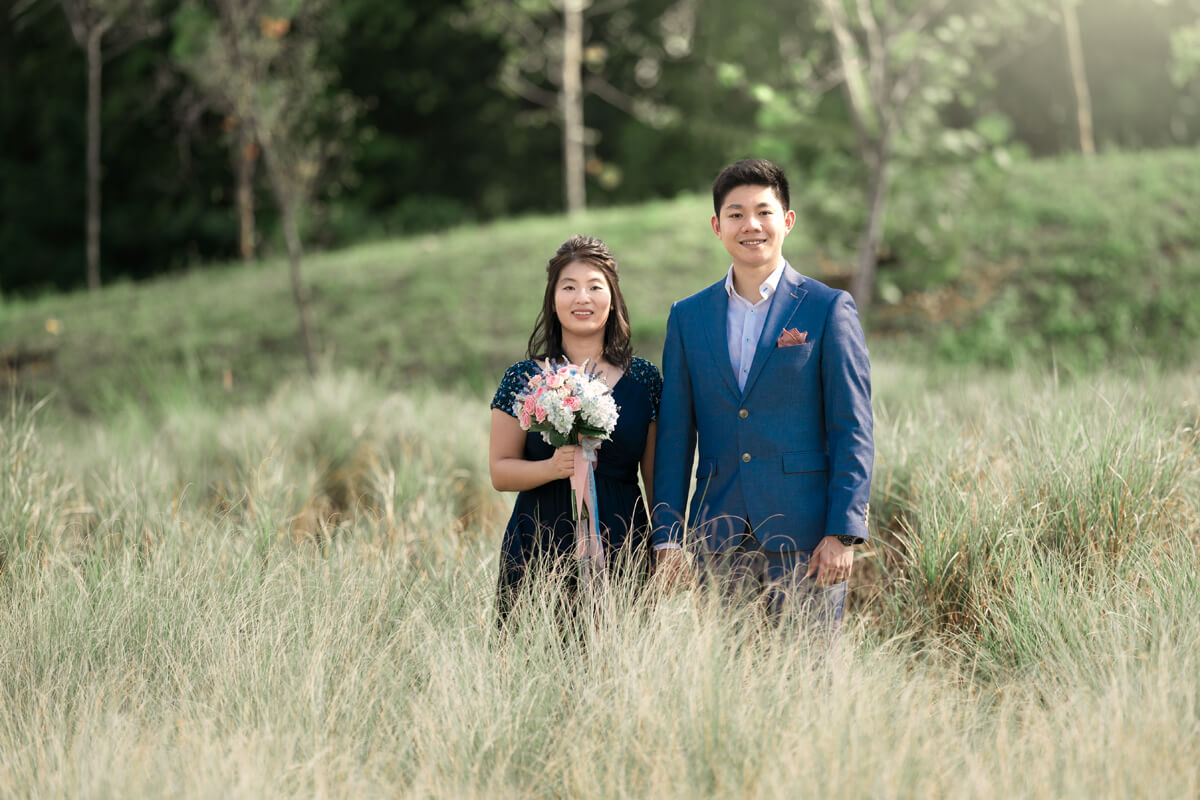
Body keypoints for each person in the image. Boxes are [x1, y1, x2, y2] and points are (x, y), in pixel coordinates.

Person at [651, 158, 873, 630]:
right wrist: (668, 537)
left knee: (808, 680)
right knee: (726, 686)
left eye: (763, 212)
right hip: (717, 535)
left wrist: (843, 533)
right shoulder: (687, 317)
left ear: (787, 221)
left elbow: (852, 427)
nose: (750, 225)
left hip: (809, 537)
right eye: (735, 214)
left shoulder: (827, 308)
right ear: (717, 226)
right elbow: (674, 436)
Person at [489, 234, 662, 624]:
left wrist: (664, 545)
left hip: (624, 539)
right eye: (569, 287)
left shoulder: (645, 379)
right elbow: (500, 471)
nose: (582, 298)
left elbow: (654, 477)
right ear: (553, 299)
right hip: (539, 540)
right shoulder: (523, 378)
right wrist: (552, 467)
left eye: (594, 287)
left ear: (613, 298)